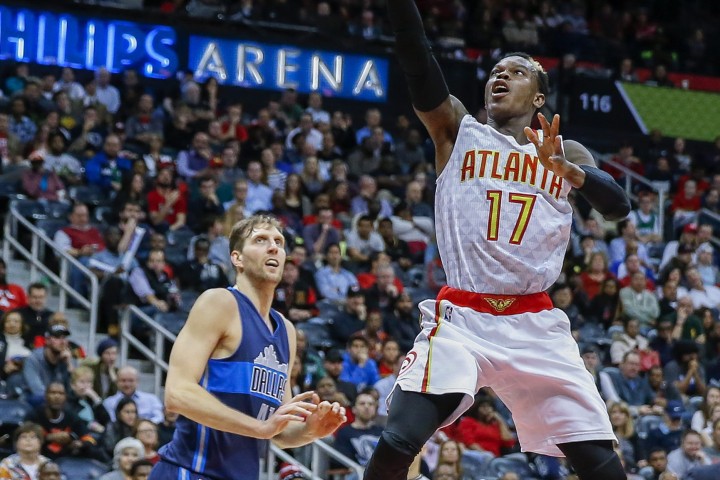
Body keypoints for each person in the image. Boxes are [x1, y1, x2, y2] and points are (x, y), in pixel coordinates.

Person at [363, 3, 631, 480]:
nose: (499, 77)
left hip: (534, 322)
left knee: (601, 465)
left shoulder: (562, 151)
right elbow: (417, 61)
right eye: (495, 71)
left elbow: (618, 207)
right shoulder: (456, 130)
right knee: (397, 441)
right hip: (463, 316)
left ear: (539, 97)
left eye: (516, 71)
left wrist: (572, 174)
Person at [149, 215, 346, 480]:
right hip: (191, 471)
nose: (274, 247)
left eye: (279, 241)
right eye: (261, 240)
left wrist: (311, 430)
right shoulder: (220, 302)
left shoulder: (286, 330)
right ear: (237, 258)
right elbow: (177, 393)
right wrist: (260, 428)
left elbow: (280, 430)